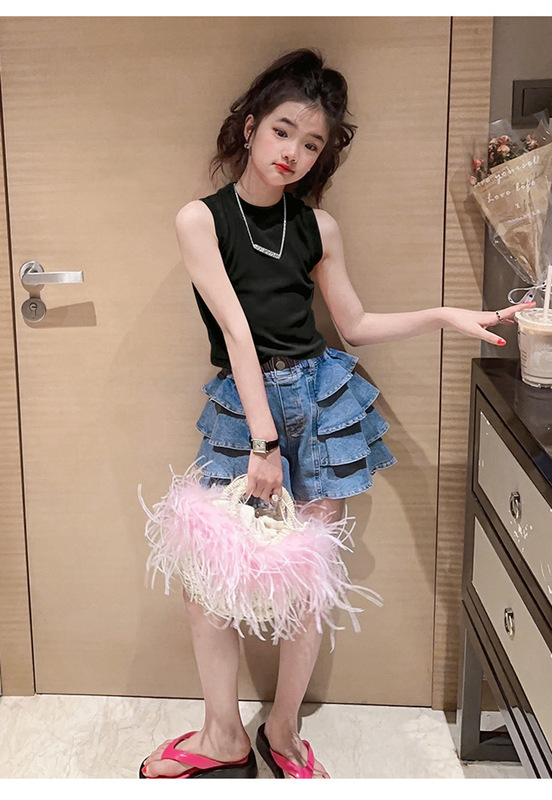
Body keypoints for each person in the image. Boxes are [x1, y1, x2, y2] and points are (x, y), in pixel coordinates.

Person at [139, 48, 536, 780]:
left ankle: (282, 730)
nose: (293, 152)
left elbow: (352, 324)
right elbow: (236, 333)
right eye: (282, 131)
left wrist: (446, 315)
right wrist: (263, 443)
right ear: (251, 127)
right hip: (244, 405)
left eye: (312, 142)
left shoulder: (318, 227)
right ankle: (222, 733)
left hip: (320, 401)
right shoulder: (202, 220)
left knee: (308, 578)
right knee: (208, 575)